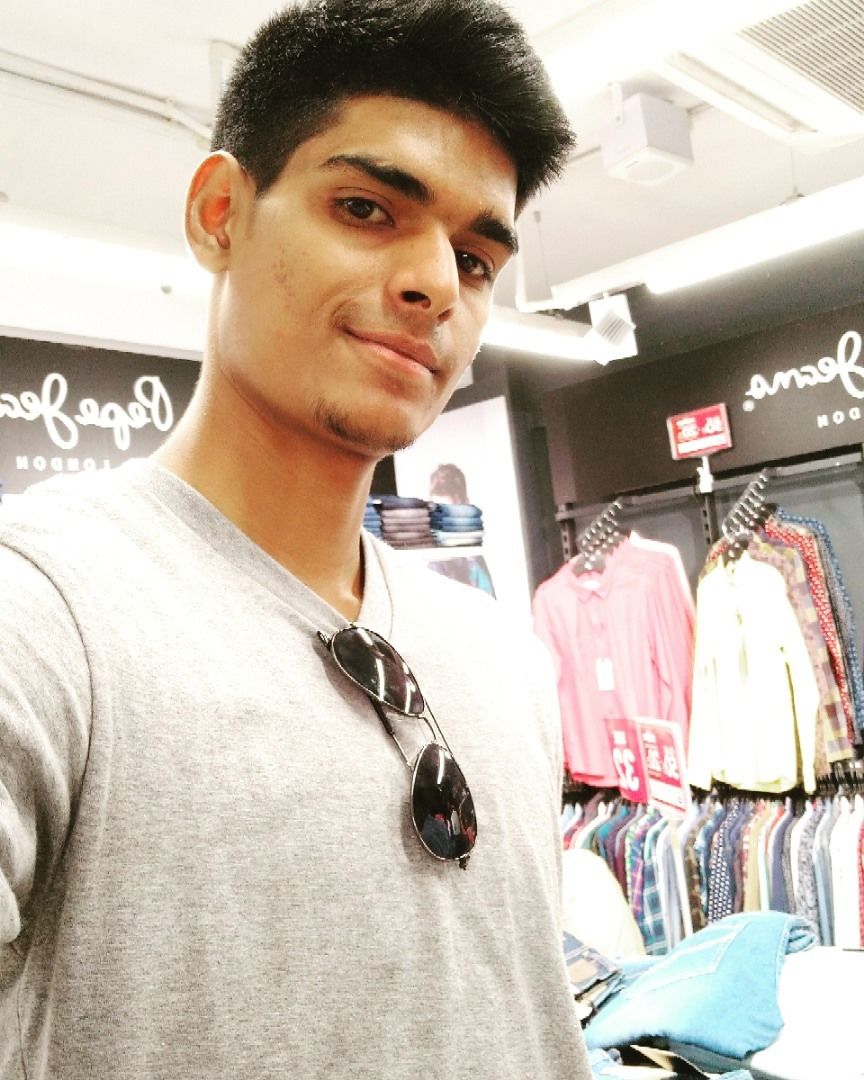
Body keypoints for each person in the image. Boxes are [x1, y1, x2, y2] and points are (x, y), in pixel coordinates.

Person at [0, 1, 590, 1077]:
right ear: (220, 213)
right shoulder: (42, 611)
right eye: (366, 208)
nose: (434, 286)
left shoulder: (507, 659)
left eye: (474, 260)